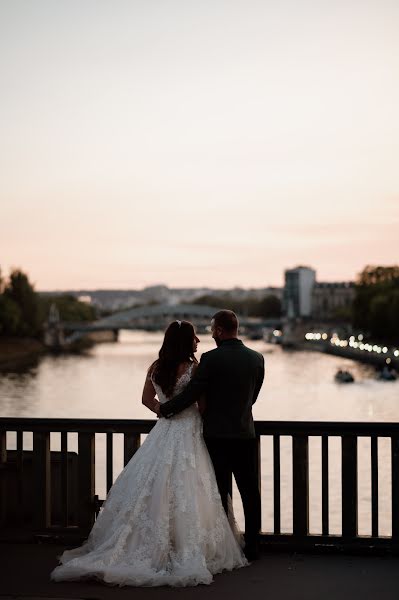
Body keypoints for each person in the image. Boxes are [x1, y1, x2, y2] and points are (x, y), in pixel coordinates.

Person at [50, 320, 247, 588]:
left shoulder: (155, 368)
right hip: (189, 434)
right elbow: (201, 406)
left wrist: (164, 412)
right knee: (189, 488)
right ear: (185, 341)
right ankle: (183, 545)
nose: (198, 341)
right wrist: (190, 414)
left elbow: (146, 399)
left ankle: (146, 544)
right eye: (194, 338)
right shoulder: (193, 368)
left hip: (164, 432)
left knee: (153, 487)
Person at [158, 310, 264, 560]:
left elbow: (193, 393)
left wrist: (166, 409)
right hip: (245, 433)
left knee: (220, 491)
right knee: (250, 491)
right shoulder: (257, 358)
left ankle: (224, 544)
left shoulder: (210, 359)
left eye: (211, 330)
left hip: (216, 436)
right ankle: (253, 546)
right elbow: (253, 398)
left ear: (218, 331)